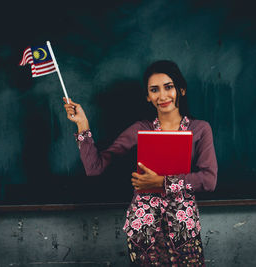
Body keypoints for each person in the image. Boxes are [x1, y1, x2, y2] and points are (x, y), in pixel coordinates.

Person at [63, 60, 217, 266]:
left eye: (168, 87)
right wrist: (83, 125)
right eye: (154, 90)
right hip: (144, 230)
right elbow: (94, 168)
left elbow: (209, 179)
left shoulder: (199, 129)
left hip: (183, 229)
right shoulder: (140, 129)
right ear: (148, 96)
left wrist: (161, 182)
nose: (162, 96)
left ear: (181, 89)